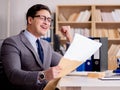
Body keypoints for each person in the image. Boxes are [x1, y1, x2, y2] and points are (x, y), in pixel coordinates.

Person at [1, 4, 72, 90]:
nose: (46, 23)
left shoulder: (46, 45)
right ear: (30, 20)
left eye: (49, 20)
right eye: (42, 18)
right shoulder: (12, 42)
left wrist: (68, 39)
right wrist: (43, 75)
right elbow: (14, 75)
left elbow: (67, 64)